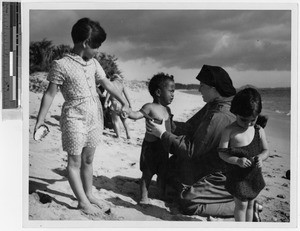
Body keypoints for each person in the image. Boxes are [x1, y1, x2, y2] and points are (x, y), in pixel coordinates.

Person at [34, 18, 129, 215]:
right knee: (74, 162)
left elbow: (107, 84)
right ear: (85, 43)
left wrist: (124, 101)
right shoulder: (60, 64)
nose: (98, 50)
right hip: (74, 118)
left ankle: (89, 194)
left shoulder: (93, 63)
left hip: (95, 117)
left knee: (88, 160)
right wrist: (40, 120)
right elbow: (50, 93)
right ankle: (82, 202)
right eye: (96, 46)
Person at [146, 65, 238, 218]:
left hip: (225, 175)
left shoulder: (220, 115)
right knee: (168, 171)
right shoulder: (213, 105)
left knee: (188, 202)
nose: (199, 89)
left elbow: (190, 150)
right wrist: (167, 120)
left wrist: (162, 134)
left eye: (202, 86)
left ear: (213, 88)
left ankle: (242, 205)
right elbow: (189, 128)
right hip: (209, 161)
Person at [218, 88, 269, 222]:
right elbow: (222, 153)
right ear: (235, 112)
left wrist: (261, 158)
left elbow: (266, 150)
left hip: (253, 175)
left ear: (257, 115)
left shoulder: (259, 130)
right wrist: (236, 160)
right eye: (243, 120)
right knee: (241, 205)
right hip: (238, 177)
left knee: (251, 203)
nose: (248, 124)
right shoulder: (229, 131)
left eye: (252, 120)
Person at [128, 72, 175, 204]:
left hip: (163, 147)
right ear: (159, 92)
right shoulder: (149, 107)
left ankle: (161, 194)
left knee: (162, 173)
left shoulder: (168, 109)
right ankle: (143, 196)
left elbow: (170, 126)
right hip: (151, 147)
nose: (173, 95)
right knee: (147, 173)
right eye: (171, 91)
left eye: (174, 92)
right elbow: (136, 115)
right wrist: (128, 113)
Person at [104, 74, 132, 139]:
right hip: (123, 104)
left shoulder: (111, 84)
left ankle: (118, 136)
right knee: (124, 121)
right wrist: (130, 104)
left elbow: (108, 93)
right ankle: (128, 135)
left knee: (115, 121)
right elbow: (127, 96)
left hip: (114, 105)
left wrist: (105, 102)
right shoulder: (122, 84)